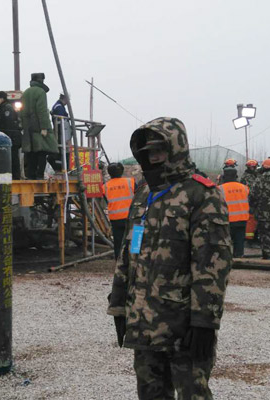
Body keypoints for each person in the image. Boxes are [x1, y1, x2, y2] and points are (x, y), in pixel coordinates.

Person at [107, 117, 232, 399]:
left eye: (159, 151)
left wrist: (205, 322)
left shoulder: (201, 195)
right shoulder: (143, 196)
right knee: (150, 393)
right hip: (144, 320)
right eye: (148, 153)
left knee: (193, 394)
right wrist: (118, 304)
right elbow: (129, 252)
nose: (153, 158)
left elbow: (212, 263)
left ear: (176, 149)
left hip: (183, 324)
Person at [20, 73, 57, 180]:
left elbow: (22, 112)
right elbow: (42, 111)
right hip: (39, 127)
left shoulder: (26, 92)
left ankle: (31, 175)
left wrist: (24, 125)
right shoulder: (41, 92)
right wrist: (44, 127)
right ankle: (40, 175)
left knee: (31, 152)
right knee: (42, 151)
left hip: (28, 127)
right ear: (41, 80)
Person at [249, 158, 270, 260]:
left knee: (265, 233)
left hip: (263, 211)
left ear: (264, 167)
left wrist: (253, 205)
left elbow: (254, 194)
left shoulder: (260, 178)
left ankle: (267, 254)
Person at [103, 163, 136, 259]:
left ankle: (120, 262)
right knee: (135, 240)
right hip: (132, 217)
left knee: (118, 243)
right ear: (122, 171)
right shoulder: (131, 182)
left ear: (109, 173)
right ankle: (135, 260)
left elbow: (107, 201)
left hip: (115, 219)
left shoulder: (105, 187)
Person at [219, 168, 249, 258]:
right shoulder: (244, 188)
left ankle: (226, 258)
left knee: (225, 241)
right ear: (236, 176)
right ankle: (239, 256)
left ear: (224, 177)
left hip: (226, 219)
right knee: (239, 240)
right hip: (242, 219)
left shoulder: (219, 189)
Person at [0, 91, 23, 180]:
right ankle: (13, 176)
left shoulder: (6, 108)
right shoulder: (3, 108)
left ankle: (15, 177)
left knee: (13, 158)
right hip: (10, 137)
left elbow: (7, 124)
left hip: (11, 137)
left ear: (1, 98)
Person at [48, 93, 70, 172]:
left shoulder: (58, 106)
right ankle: (62, 169)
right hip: (61, 133)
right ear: (65, 99)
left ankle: (61, 168)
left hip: (60, 132)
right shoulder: (59, 107)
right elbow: (62, 121)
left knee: (61, 151)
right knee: (62, 151)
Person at [240, 160, 259, 242]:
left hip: (255, 200)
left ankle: (254, 237)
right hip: (250, 200)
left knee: (255, 220)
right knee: (251, 220)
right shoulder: (247, 177)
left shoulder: (255, 175)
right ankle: (249, 239)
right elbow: (250, 190)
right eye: (255, 167)